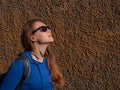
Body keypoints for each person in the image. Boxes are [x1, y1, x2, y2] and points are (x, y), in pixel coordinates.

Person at [0, 18, 65, 90]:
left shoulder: (47, 61)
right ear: (32, 37)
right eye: (43, 29)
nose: (49, 30)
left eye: (48, 28)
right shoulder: (20, 64)